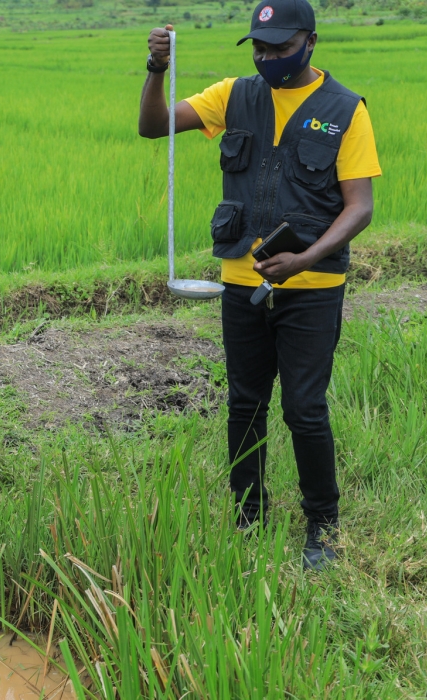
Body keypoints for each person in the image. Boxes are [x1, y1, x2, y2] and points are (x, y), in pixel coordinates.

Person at [138, 0, 381, 570]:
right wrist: (156, 69)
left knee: (304, 407)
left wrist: (305, 259)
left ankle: (323, 523)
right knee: (245, 404)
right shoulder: (233, 96)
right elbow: (153, 127)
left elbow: (359, 208)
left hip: (312, 286)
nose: (270, 58)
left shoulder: (345, 110)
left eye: (281, 48)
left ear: (311, 42)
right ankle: (249, 515)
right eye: (261, 49)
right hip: (239, 282)